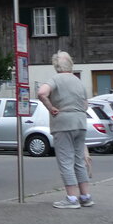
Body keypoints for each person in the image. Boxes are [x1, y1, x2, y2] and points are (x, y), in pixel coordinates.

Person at [37, 51, 93, 209]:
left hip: (63, 124)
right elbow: (85, 105)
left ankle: (72, 198)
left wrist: (51, 108)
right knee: (79, 160)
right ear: (71, 64)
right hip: (81, 123)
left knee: (66, 161)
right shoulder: (79, 81)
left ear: (56, 66)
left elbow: (42, 93)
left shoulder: (56, 79)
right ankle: (85, 196)